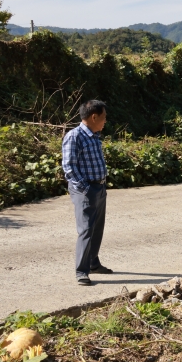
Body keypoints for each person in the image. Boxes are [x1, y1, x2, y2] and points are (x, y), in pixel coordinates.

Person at [62, 100, 113, 286]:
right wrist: (85, 189)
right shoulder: (74, 136)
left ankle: (93, 263)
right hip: (86, 189)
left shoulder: (94, 135)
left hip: (99, 187)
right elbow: (69, 167)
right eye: (104, 117)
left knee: (97, 228)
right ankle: (81, 271)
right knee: (86, 230)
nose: (105, 121)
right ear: (94, 116)